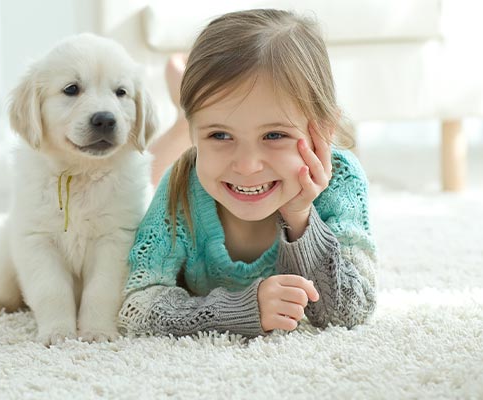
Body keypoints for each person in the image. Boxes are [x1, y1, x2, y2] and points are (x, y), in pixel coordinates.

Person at [117, 9, 377, 338]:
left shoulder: (342, 180)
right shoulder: (180, 188)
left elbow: (350, 312)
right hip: (189, 157)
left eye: (274, 135)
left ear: (322, 131)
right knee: (141, 175)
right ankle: (183, 119)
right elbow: (136, 307)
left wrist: (301, 219)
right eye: (220, 135)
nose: (247, 165)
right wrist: (240, 309)